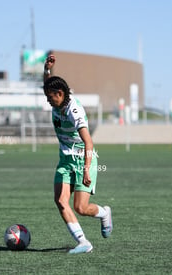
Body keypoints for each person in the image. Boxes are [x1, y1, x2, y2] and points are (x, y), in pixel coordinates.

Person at [43, 55, 112, 254]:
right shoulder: (57, 98)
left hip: (83, 159)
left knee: (81, 208)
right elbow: (47, 84)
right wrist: (47, 69)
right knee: (60, 200)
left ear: (60, 93)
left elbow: (88, 142)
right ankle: (83, 242)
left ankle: (104, 212)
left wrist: (87, 171)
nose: (48, 101)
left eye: (50, 97)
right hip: (65, 160)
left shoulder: (75, 111)